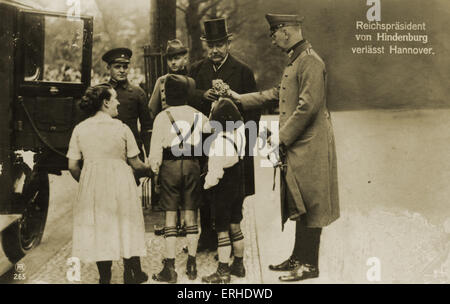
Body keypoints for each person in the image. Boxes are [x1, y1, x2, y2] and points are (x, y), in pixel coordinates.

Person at [230, 13, 340, 282]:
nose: (272, 39)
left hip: (310, 146)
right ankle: (297, 257)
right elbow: (277, 93)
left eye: (274, 34)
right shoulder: (298, 60)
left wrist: (280, 138)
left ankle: (309, 265)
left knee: (311, 205)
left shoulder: (310, 62)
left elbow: (307, 108)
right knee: (299, 202)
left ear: (287, 32)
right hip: (300, 145)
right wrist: (239, 99)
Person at [188, 18, 260, 253]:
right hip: (205, 141)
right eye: (211, 45)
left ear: (228, 44)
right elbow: (187, 100)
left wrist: (246, 148)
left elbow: (254, 111)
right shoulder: (196, 70)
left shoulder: (243, 71)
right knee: (206, 186)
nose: (215, 50)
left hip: (233, 143)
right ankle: (207, 236)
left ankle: (231, 234)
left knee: (232, 190)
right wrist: (202, 95)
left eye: (219, 44)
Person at [67, 84, 151, 284]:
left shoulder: (80, 129)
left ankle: (104, 277)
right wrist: (151, 169)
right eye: (114, 99)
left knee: (100, 226)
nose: (118, 102)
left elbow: (72, 165)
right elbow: (136, 164)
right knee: (126, 223)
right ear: (105, 102)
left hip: (93, 185)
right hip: (121, 182)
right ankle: (132, 274)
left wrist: (87, 180)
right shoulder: (122, 128)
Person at [149, 75, 210, 283]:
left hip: (170, 167)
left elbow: (155, 153)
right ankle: (192, 264)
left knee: (170, 217)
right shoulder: (198, 115)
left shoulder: (161, 117)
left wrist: (156, 172)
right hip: (192, 165)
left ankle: (170, 267)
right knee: (191, 216)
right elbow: (210, 134)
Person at [201, 98, 247, 283]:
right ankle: (239, 264)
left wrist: (205, 185)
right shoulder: (239, 135)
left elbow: (215, 174)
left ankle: (223, 270)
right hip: (238, 188)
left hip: (222, 192)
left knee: (222, 230)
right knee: (236, 226)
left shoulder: (218, 143)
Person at [148, 39, 190, 234]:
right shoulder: (162, 81)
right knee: (169, 181)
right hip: (169, 132)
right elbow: (153, 107)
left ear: (185, 58)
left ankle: (186, 223)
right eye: (171, 59)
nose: (174, 62)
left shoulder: (191, 78)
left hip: (190, 135)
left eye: (178, 57)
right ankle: (171, 224)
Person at [102, 48, 152, 162]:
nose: (122, 70)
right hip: (107, 150)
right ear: (108, 68)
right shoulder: (101, 92)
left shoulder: (137, 93)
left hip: (132, 151)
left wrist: (150, 154)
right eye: (117, 67)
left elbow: (147, 127)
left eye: (125, 67)